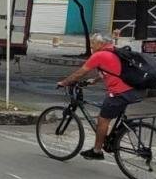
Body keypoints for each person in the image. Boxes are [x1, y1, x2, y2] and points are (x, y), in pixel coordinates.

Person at [56, 32, 141, 160]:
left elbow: (80, 73)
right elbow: (110, 71)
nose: (91, 45)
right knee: (110, 117)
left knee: (102, 120)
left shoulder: (99, 55)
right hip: (132, 91)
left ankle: (96, 151)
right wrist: (94, 81)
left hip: (118, 93)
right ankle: (112, 140)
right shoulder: (116, 52)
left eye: (93, 43)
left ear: (101, 44)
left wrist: (64, 82)